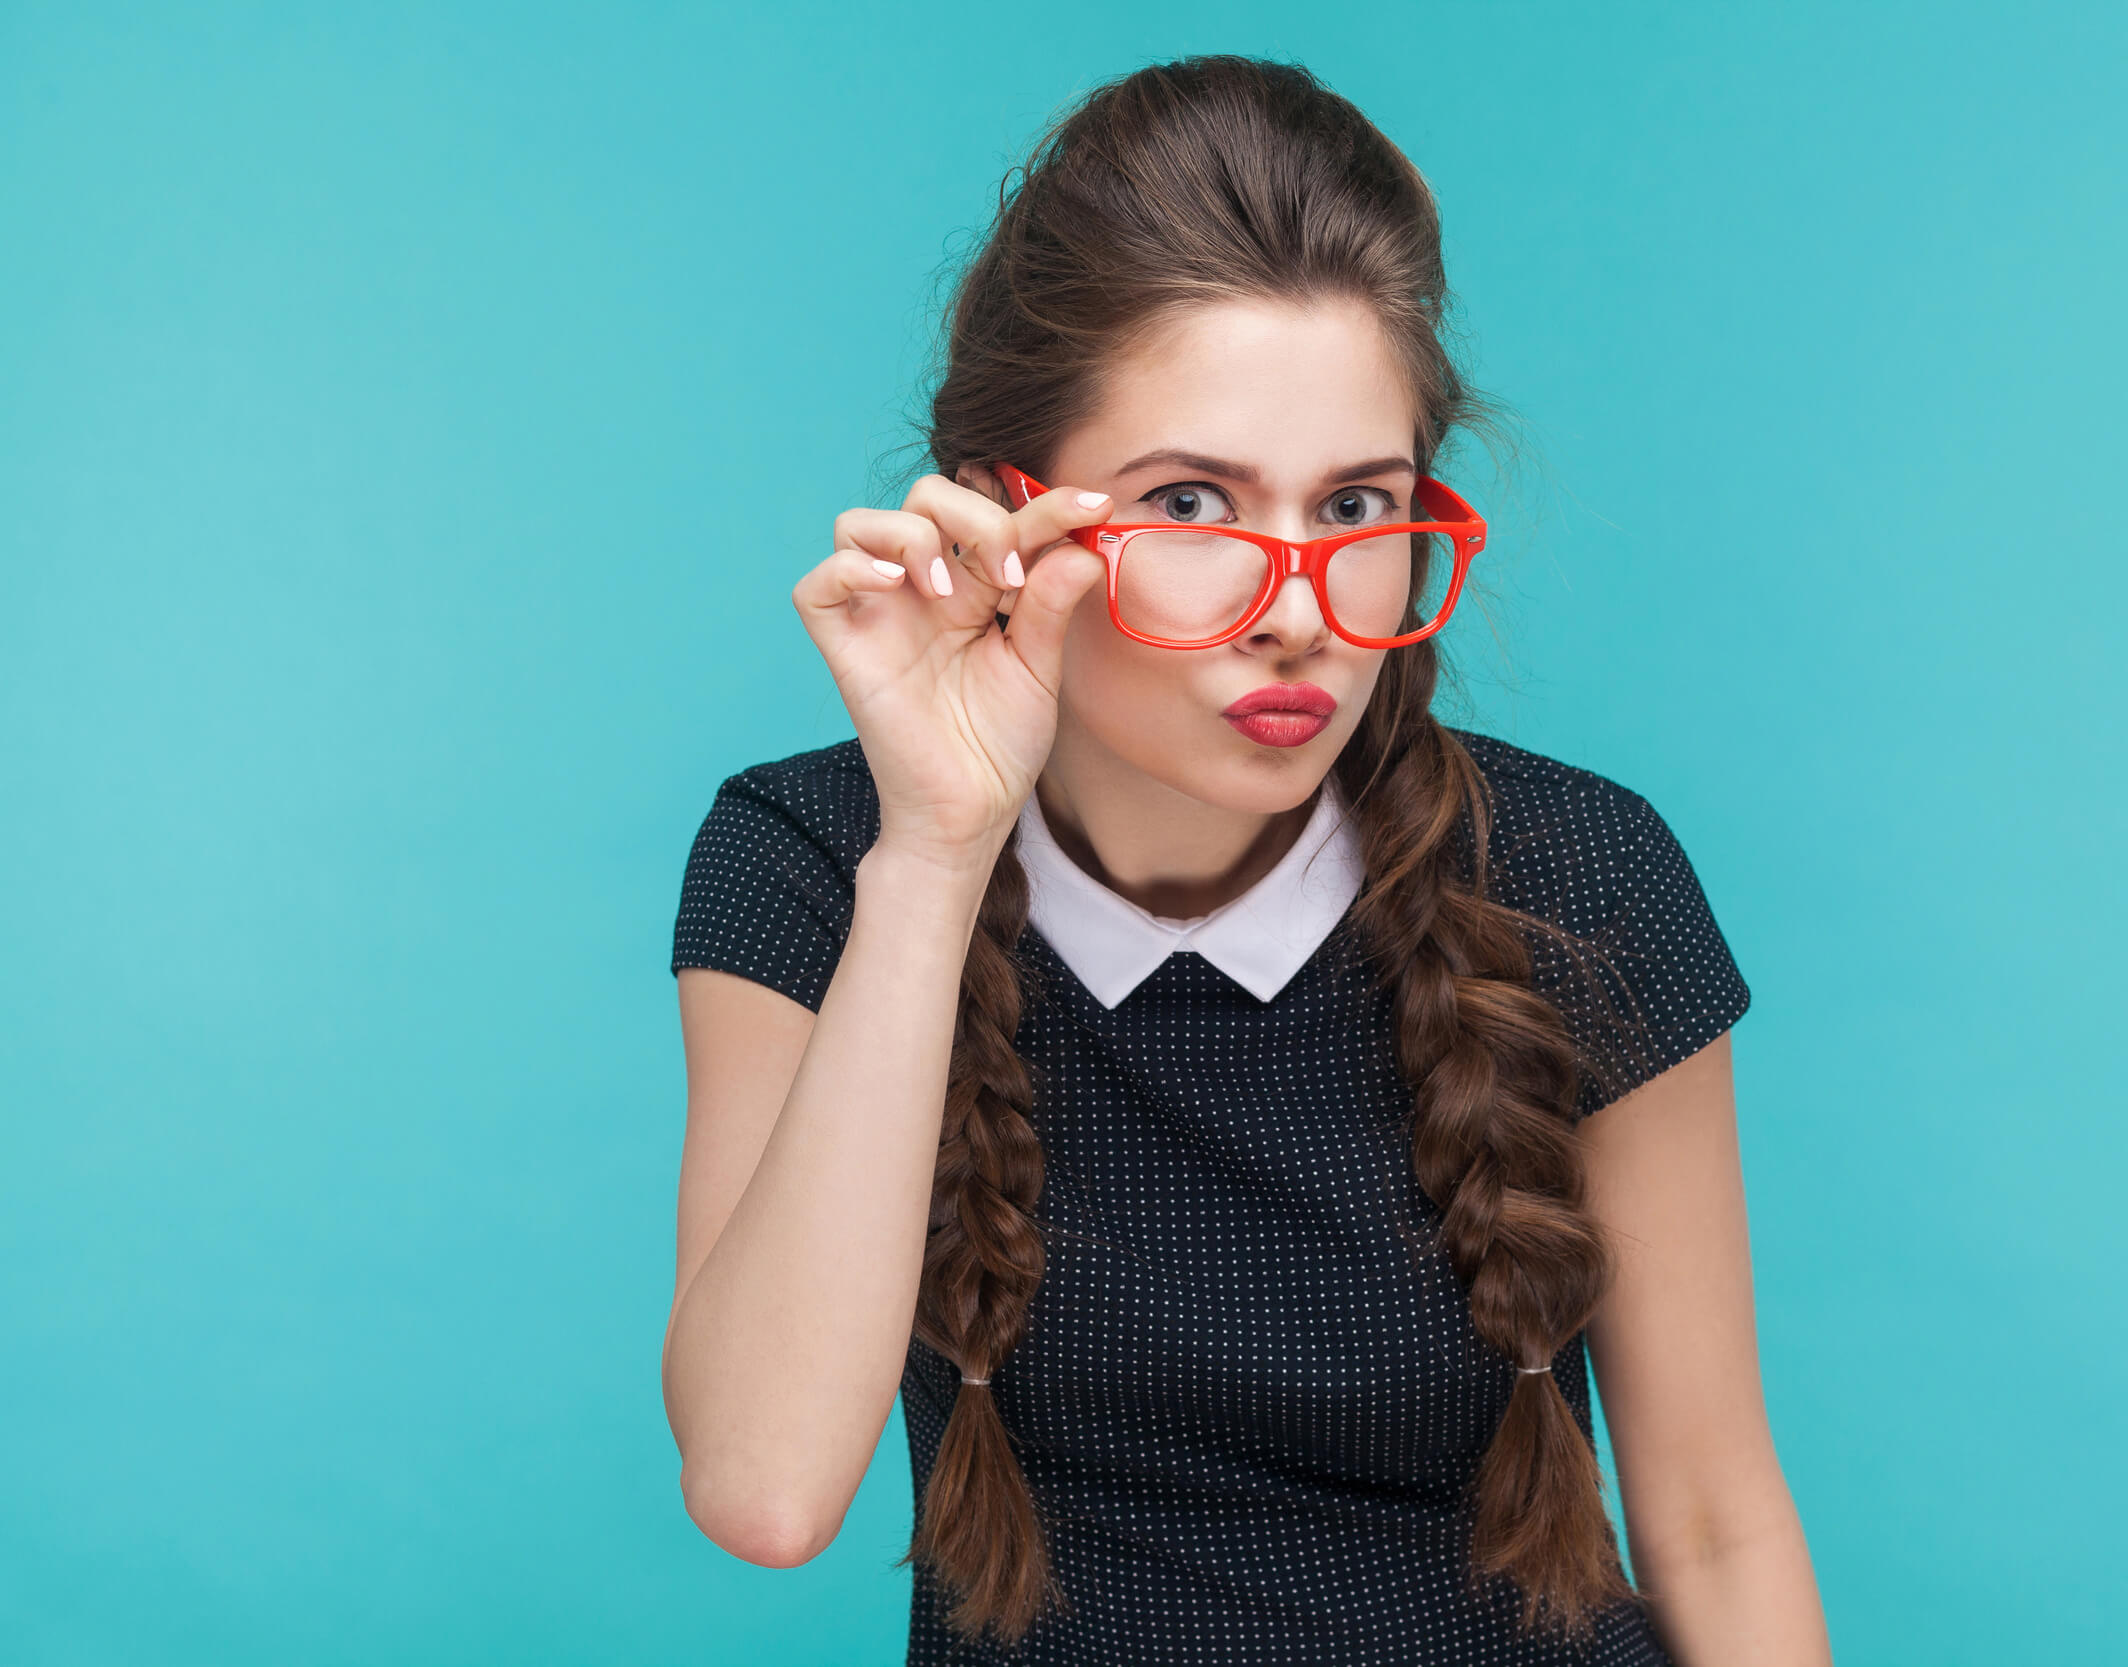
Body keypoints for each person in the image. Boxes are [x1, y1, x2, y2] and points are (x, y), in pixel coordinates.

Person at [661, 54, 1831, 1667]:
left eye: (1357, 502)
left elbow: (1712, 1511)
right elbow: (764, 1489)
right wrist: (933, 852)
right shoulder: (812, 860)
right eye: (1194, 499)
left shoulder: (1577, 874)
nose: (1298, 607)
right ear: (1008, 516)